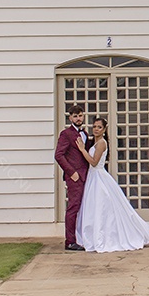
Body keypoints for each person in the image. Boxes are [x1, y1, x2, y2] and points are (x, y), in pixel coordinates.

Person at [74, 117, 149, 252]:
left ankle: (106, 236)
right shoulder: (95, 142)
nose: (96, 129)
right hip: (93, 177)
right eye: (95, 126)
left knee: (101, 207)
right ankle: (92, 235)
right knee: (94, 208)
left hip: (98, 176)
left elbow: (94, 162)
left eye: (99, 127)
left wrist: (82, 150)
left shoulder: (102, 143)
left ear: (104, 130)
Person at [55, 105, 91, 251]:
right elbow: (59, 155)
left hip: (86, 175)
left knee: (84, 207)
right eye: (75, 116)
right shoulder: (66, 134)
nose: (78, 118)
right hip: (75, 177)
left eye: (80, 115)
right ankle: (70, 241)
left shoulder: (85, 133)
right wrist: (71, 172)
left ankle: (82, 237)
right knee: (73, 207)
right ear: (70, 118)